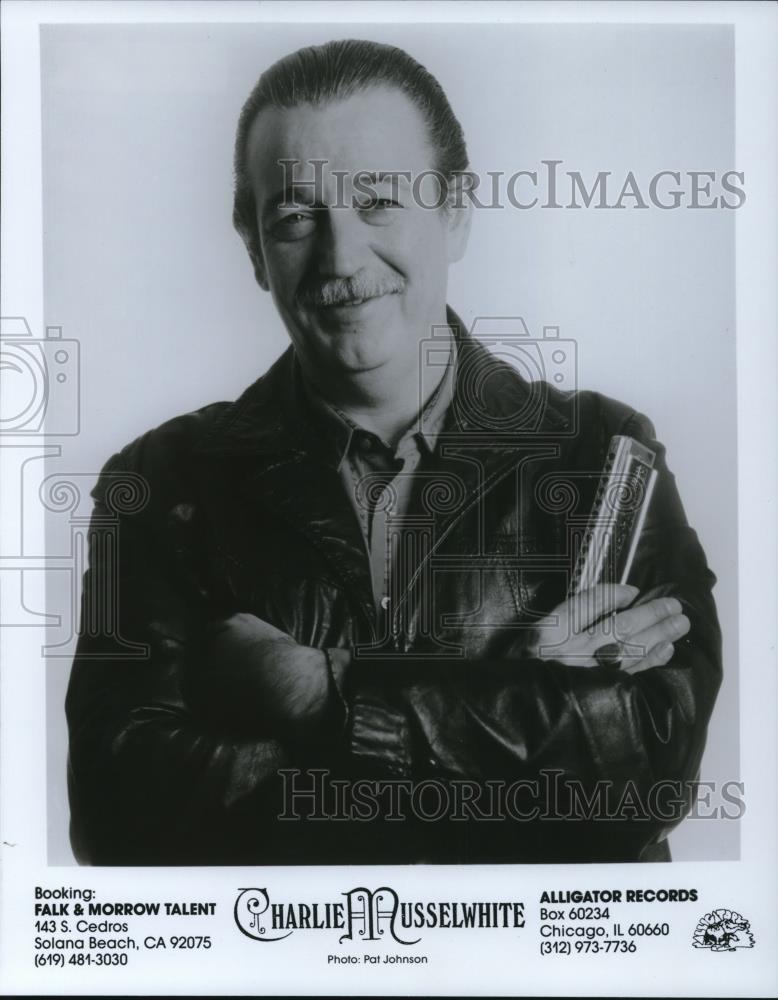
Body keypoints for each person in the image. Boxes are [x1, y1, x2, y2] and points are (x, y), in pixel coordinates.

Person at [65, 38, 722, 865]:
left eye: (379, 200)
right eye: (297, 217)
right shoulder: (161, 481)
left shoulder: (602, 456)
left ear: (456, 212)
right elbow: (116, 811)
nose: (341, 260)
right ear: (253, 250)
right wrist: (518, 708)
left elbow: (646, 785)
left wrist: (322, 692)